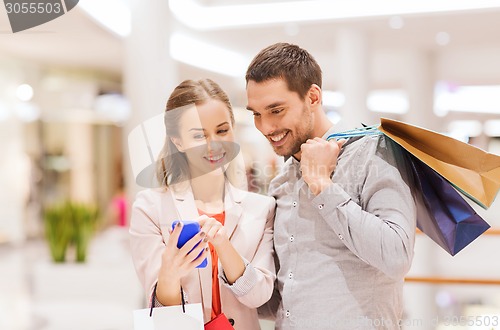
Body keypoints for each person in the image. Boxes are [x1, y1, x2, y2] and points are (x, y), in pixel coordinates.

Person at [246, 43, 416, 329]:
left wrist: (323, 187)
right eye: (256, 114)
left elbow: (397, 256)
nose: (265, 127)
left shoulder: (374, 154)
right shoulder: (280, 184)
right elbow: (279, 302)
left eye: (276, 110)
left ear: (313, 97)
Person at [130, 79, 276, 329]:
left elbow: (259, 296)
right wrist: (169, 273)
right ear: (178, 141)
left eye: (222, 131)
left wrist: (224, 245)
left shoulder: (261, 209)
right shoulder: (150, 208)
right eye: (199, 135)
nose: (214, 145)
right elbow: (162, 312)